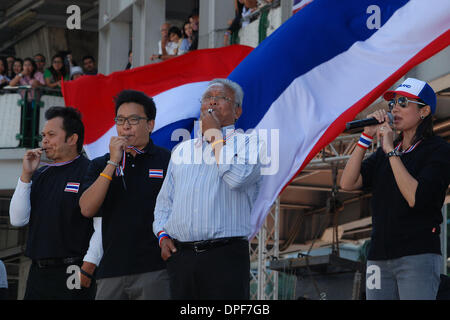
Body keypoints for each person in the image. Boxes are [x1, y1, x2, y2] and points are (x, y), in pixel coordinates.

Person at [153, 78, 264, 300]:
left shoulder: (250, 143)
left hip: (225, 256)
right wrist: (162, 235)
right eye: (207, 98)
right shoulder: (182, 150)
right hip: (181, 257)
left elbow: (237, 178)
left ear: (237, 111)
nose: (212, 102)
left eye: (221, 98)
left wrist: (214, 137)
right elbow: (165, 202)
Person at [340, 78, 450, 300]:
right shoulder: (384, 154)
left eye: (402, 102)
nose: (394, 108)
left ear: (424, 111)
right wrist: (365, 136)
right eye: (392, 104)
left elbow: (415, 198)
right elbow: (347, 183)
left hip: (417, 254)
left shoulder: (437, 150)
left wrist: (390, 150)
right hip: (378, 256)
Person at [79, 89, 171, 300]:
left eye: (133, 119)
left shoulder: (166, 161)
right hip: (111, 271)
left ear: (150, 124)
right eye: (120, 120)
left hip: (155, 269)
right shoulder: (100, 164)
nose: (126, 126)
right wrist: (113, 162)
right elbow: (87, 209)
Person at [9, 106, 95, 300]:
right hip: (37, 272)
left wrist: (90, 265)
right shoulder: (39, 174)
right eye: (43, 135)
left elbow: (101, 225)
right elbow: (17, 219)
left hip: (73, 269)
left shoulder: (90, 171)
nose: (44, 140)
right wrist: (26, 175)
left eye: (51, 134)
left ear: (72, 139)